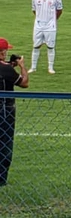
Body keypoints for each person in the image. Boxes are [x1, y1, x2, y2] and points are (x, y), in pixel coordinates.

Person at [0, 38, 29, 186]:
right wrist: (22, 66)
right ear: (2, 52)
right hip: (5, 112)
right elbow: (24, 83)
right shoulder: (6, 69)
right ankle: (1, 179)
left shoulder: (6, 68)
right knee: (4, 144)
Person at [31, 0, 63, 74]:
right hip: (38, 26)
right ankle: (33, 67)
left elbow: (59, 10)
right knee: (36, 46)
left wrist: (53, 20)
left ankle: (50, 67)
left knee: (50, 47)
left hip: (50, 27)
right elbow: (34, 10)